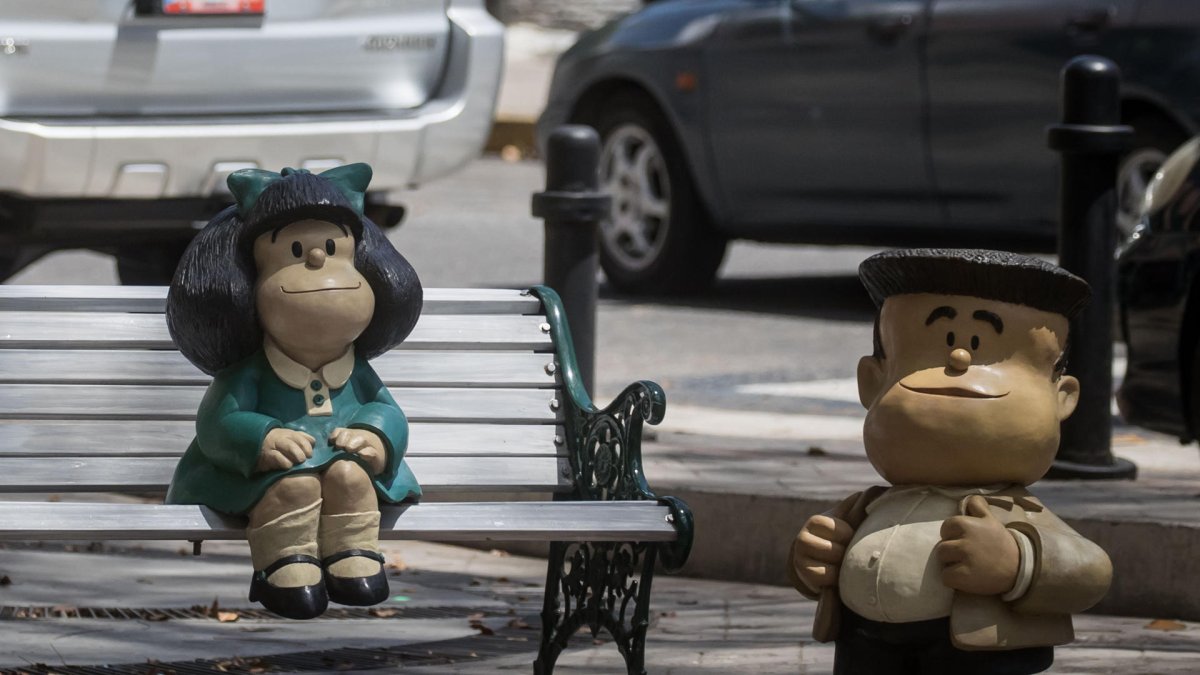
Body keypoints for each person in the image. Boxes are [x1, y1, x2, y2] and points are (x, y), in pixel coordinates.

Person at [788, 249, 1112, 674]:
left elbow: (1090, 572)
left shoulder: (1015, 515)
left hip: (972, 653)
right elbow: (818, 560)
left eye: (980, 348)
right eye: (936, 347)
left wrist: (1017, 564)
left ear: (1061, 398)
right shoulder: (865, 507)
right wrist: (813, 558)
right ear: (872, 381)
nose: (958, 359)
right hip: (862, 643)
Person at [165, 163, 423, 620]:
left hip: (345, 460)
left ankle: (353, 554)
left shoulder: (356, 370)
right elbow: (217, 424)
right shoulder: (250, 372)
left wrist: (375, 434)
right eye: (297, 250)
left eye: (332, 247)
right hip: (263, 474)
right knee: (295, 485)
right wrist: (260, 437)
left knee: (350, 479)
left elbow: (387, 410)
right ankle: (284, 563)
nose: (319, 262)